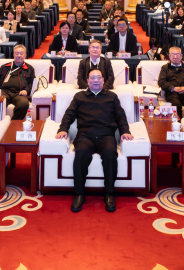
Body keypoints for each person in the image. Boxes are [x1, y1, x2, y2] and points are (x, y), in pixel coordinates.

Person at [56, 69, 133, 212]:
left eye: (99, 77)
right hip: (85, 135)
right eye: (93, 77)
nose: (96, 80)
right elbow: (69, 114)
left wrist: (125, 132)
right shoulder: (79, 96)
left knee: (110, 154)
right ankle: (79, 194)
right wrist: (63, 129)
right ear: (88, 81)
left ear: (103, 80)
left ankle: (109, 194)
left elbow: (120, 116)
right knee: (80, 154)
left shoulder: (112, 96)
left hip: (106, 135)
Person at [0, 45, 36, 120]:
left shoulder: (30, 69)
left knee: (24, 104)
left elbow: (32, 83)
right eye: (17, 53)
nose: (19, 55)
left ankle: (13, 123)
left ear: (25, 55)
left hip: (19, 93)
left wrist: (26, 91)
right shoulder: (5, 67)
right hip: (4, 92)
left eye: (21, 53)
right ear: (13, 55)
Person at [159, 47, 184, 118]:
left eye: (177, 54)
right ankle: (178, 123)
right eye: (173, 54)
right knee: (176, 105)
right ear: (169, 56)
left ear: (181, 56)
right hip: (172, 94)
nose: (175, 57)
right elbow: (161, 82)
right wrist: (173, 88)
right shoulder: (165, 68)